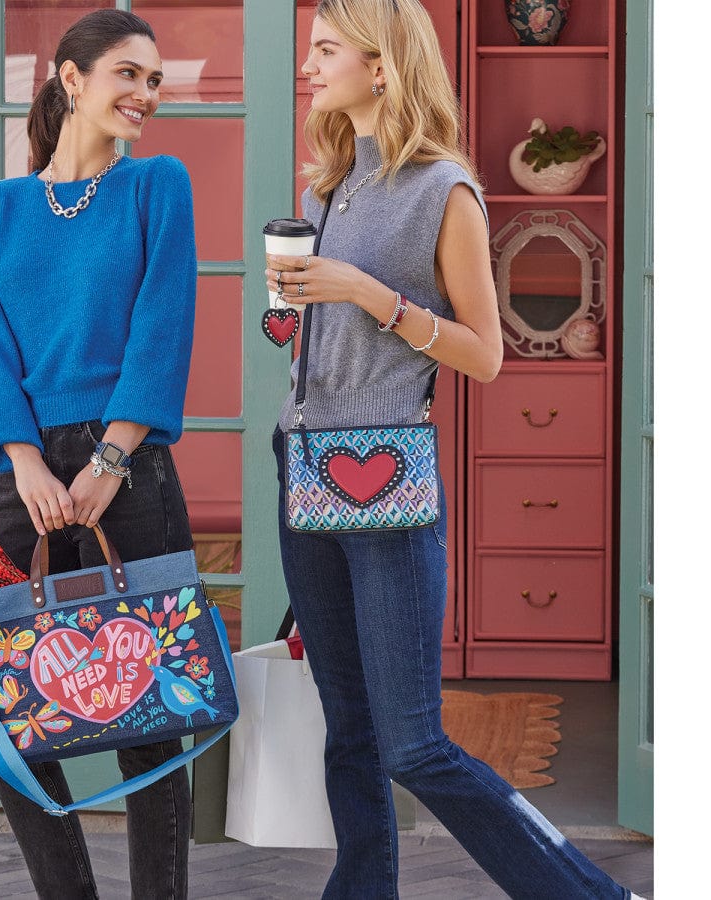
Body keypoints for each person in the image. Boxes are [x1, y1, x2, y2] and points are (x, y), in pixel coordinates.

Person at [265, 2, 643, 898]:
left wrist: (369, 294)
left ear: (385, 65)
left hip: (388, 479)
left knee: (414, 744)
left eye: (326, 49)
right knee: (347, 727)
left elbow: (485, 354)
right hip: (305, 465)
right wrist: (293, 314)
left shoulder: (447, 191)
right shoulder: (327, 187)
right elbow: (317, 341)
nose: (310, 64)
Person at [0, 9, 197, 899]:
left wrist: (110, 457)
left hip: (128, 471)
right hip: (24, 478)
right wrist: (23, 462)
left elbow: (162, 327)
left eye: (154, 82)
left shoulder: (156, 187)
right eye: (127, 75)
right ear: (70, 78)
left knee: (149, 712)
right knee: (9, 715)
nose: (145, 95)